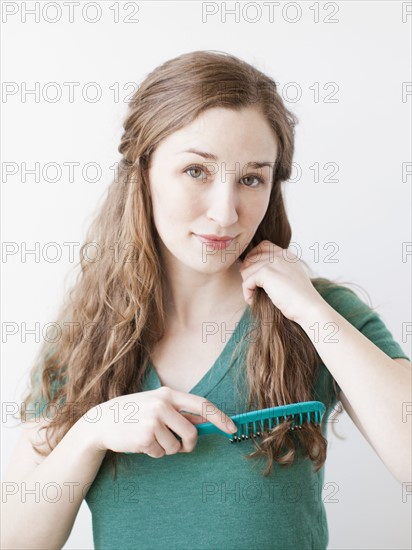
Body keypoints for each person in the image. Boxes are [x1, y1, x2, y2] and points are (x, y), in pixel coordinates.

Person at [1, 50, 410, 550]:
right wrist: (92, 431)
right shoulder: (88, 335)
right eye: (196, 171)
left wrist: (311, 311)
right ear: (143, 171)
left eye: (251, 178)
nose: (225, 213)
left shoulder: (322, 314)